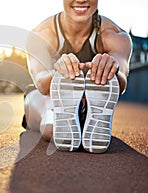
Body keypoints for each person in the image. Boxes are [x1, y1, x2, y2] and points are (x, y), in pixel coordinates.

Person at [23, 0, 132, 153]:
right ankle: (54, 119)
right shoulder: (41, 35)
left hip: (88, 101)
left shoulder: (115, 36)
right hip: (46, 96)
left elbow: (121, 81)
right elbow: (41, 83)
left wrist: (112, 68)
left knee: (97, 91)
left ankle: (72, 119)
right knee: (45, 100)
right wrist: (58, 72)